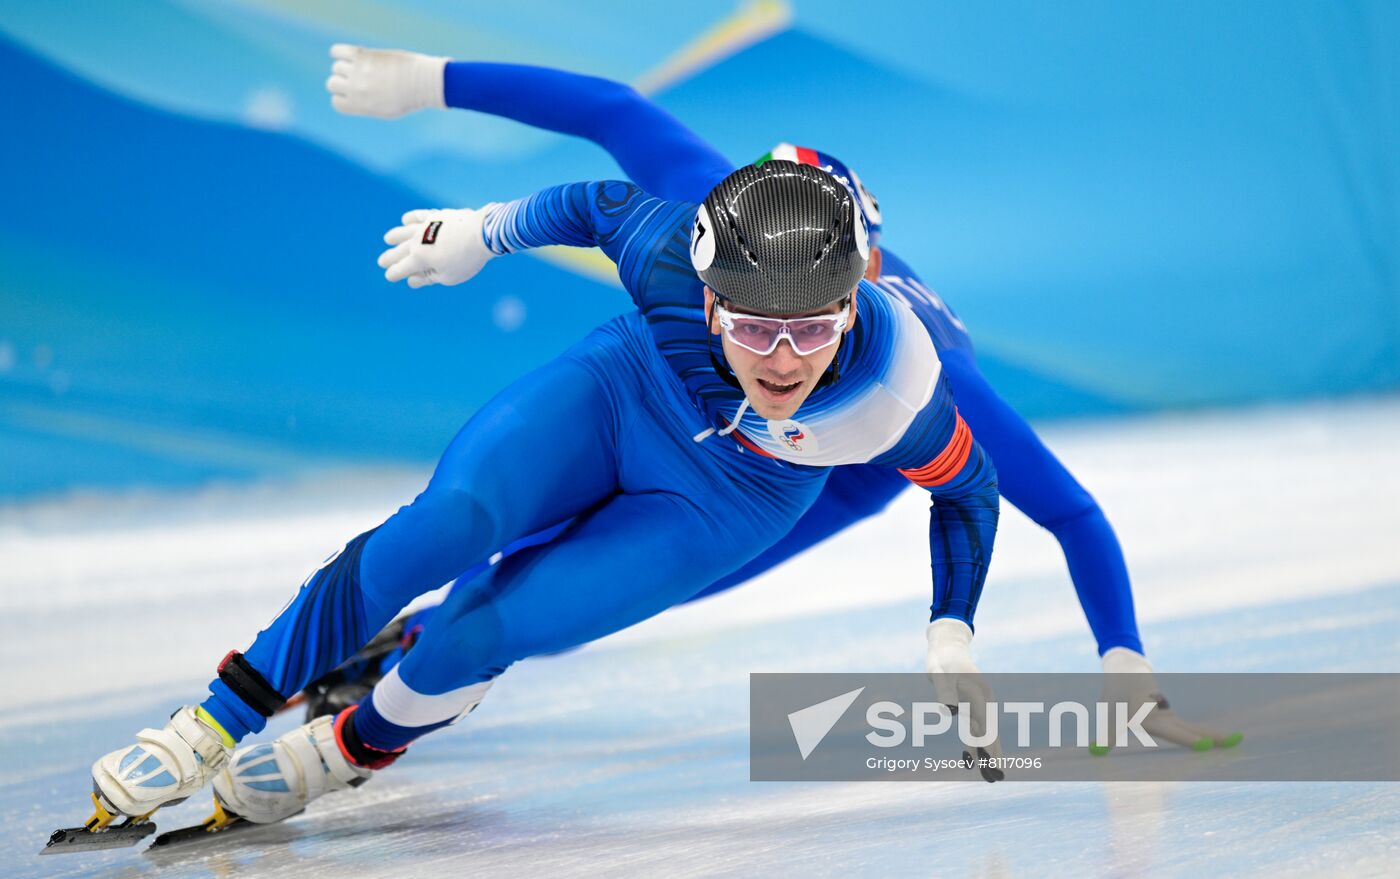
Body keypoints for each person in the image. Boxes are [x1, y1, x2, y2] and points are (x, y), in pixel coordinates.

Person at [319, 45, 1239, 753]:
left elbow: (1066, 509)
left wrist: (1126, 666)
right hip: (698, 408)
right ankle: (416, 642)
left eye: (810, 298)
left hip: (835, 473)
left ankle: (425, 642)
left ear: (859, 277)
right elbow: (611, 109)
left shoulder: (922, 367)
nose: (778, 298)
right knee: (533, 518)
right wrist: (424, 79)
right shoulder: (720, 211)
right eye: (755, 286)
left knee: (600, 582)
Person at [87, 159, 1004, 832]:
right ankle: (210, 720)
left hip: (731, 496)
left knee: (486, 628)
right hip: (623, 392)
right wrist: (477, 234)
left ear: (852, 304)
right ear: (711, 296)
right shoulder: (666, 254)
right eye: (757, 327)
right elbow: (590, 202)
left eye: (812, 329)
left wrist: (951, 622)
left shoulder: (897, 388)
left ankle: (346, 749)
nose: (784, 360)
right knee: (449, 524)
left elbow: (971, 492)